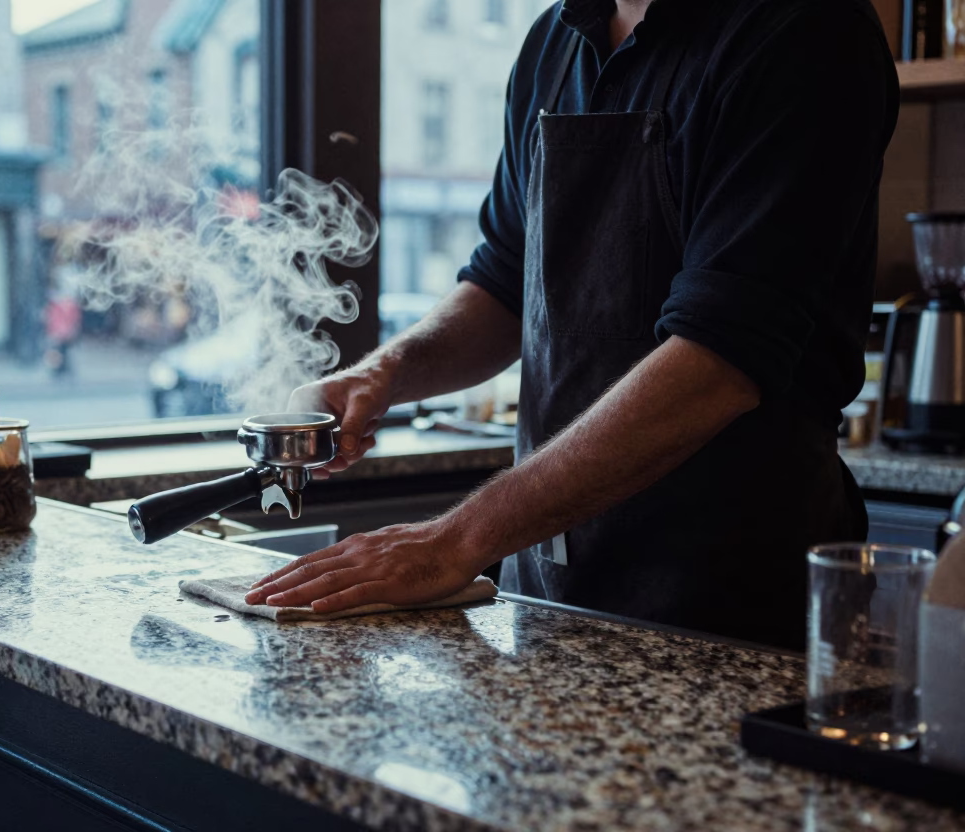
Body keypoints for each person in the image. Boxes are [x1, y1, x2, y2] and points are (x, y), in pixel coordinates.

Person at [245, 0, 899, 649]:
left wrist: (455, 540)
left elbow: (721, 359)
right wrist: (382, 374)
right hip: (549, 589)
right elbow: (505, 282)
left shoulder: (808, 31)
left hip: (730, 603)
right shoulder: (554, 41)